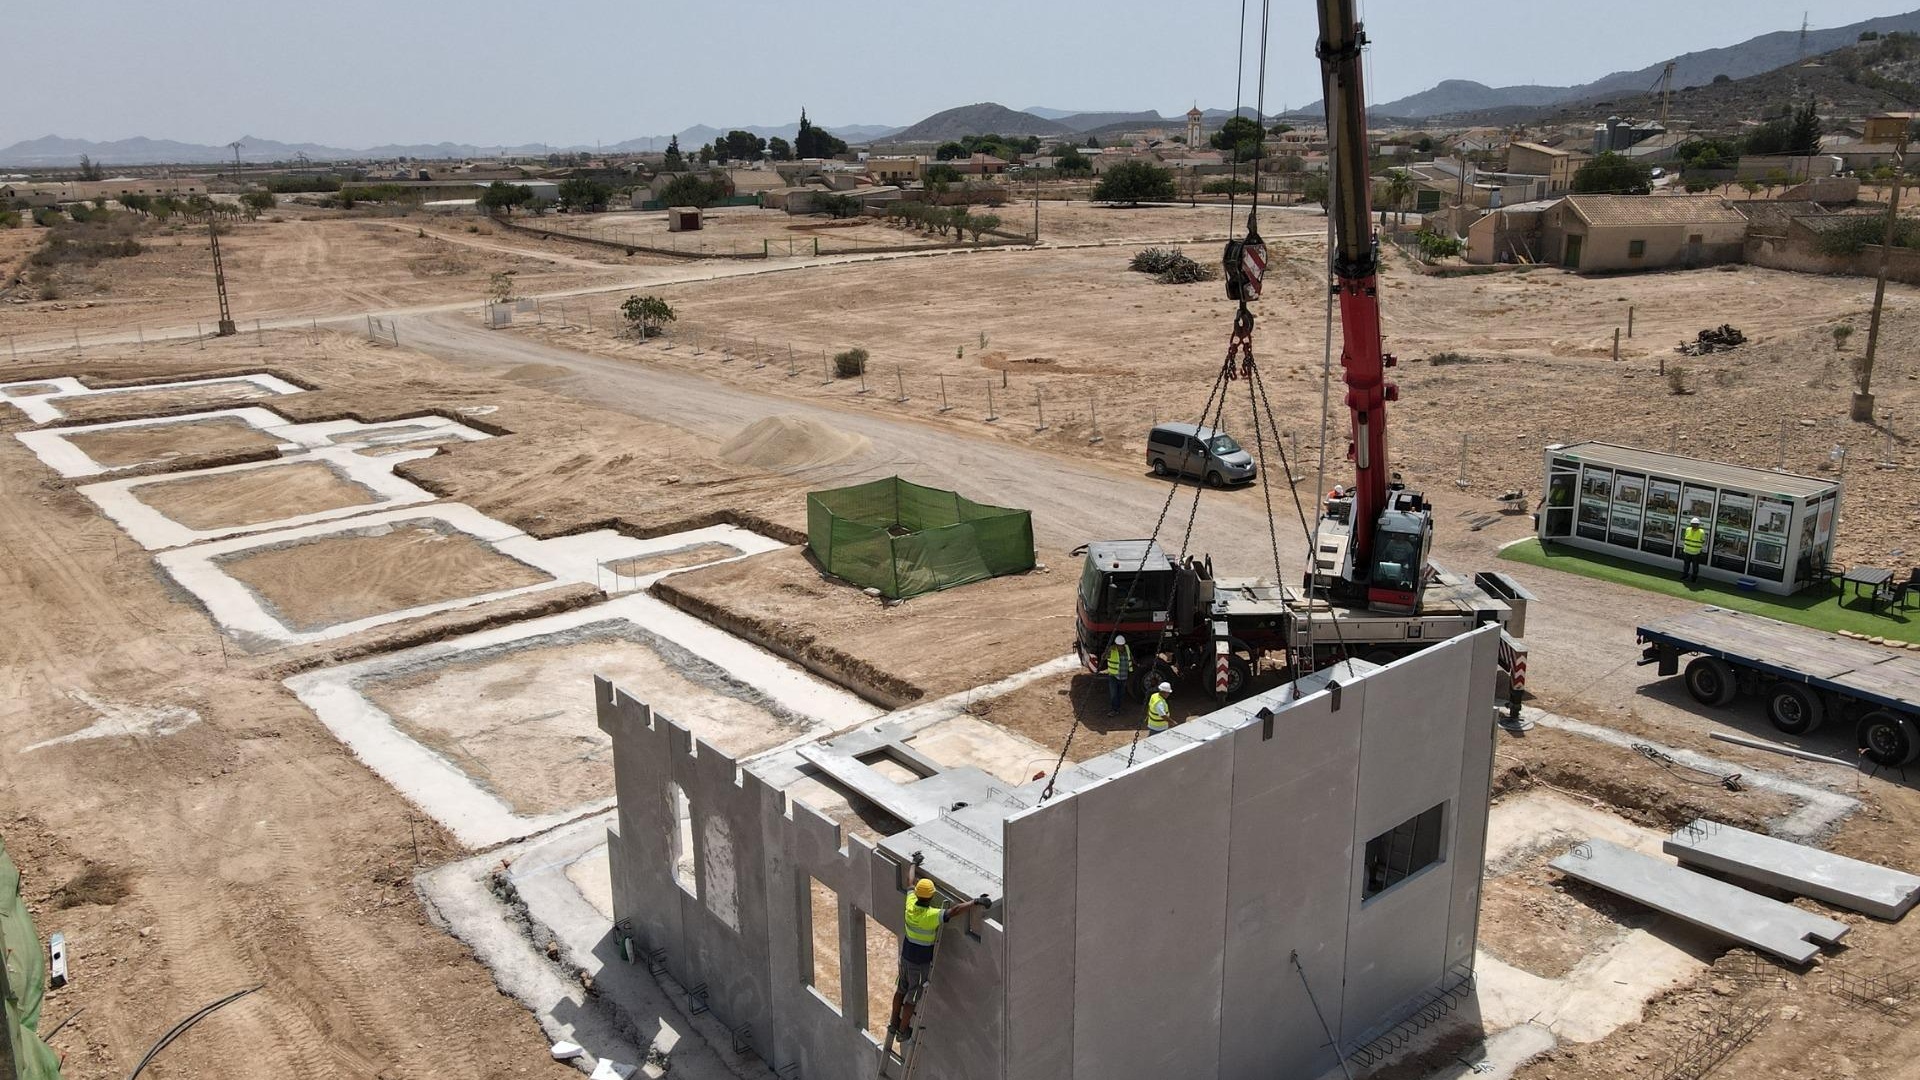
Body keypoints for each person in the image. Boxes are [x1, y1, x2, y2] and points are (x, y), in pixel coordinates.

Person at [888, 879, 989, 1041]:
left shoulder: (910, 905)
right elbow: (954, 910)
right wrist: (975, 901)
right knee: (912, 998)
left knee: (901, 990)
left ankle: (894, 1022)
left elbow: (909, 884)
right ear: (931, 897)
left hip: (905, 959)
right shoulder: (931, 916)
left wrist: (914, 864)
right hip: (919, 965)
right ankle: (902, 1030)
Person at [1102, 634, 1131, 717]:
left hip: (1124, 676)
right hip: (1114, 676)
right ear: (1116, 645)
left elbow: (1130, 658)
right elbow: (1104, 657)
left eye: (1122, 645)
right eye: (1119, 645)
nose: (1120, 647)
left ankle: (1118, 708)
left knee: (1121, 693)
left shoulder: (1127, 649)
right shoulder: (1112, 650)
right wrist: (1108, 650)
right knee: (1114, 694)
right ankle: (1114, 710)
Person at [1680, 516, 1707, 583]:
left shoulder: (1701, 532)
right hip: (1687, 551)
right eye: (1693, 524)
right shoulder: (1688, 529)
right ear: (1691, 524)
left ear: (1698, 525)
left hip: (1696, 553)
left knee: (1695, 567)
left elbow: (1703, 541)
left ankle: (1694, 578)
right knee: (1686, 566)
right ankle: (1685, 575)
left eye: (1695, 524)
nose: (1694, 525)